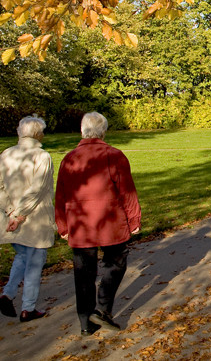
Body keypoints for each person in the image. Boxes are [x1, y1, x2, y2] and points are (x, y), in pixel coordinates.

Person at [56, 112, 141, 336]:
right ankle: (102, 309)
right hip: (110, 222)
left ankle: (86, 322)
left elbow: (61, 195)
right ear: (103, 132)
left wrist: (63, 224)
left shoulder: (69, 158)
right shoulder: (114, 155)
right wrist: (134, 219)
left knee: (83, 273)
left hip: (81, 224)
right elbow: (127, 191)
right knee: (116, 263)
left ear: (82, 131)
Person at [0, 115, 55, 323]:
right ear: (38, 134)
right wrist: (18, 214)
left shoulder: (7, 154)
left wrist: (9, 211)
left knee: (23, 257)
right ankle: (28, 307)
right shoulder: (41, 156)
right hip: (33, 219)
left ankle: (8, 295)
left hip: (12, 219)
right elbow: (37, 189)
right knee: (35, 261)